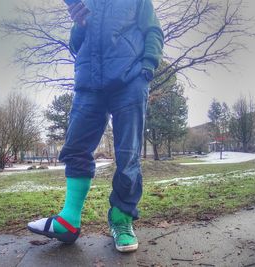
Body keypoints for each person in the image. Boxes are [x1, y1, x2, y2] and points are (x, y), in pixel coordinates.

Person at [28, 0, 164, 253]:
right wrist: (78, 24)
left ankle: (122, 220)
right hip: (89, 83)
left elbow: (153, 31)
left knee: (128, 154)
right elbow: (75, 45)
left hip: (129, 80)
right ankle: (69, 220)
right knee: (75, 147)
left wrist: (148, 66)